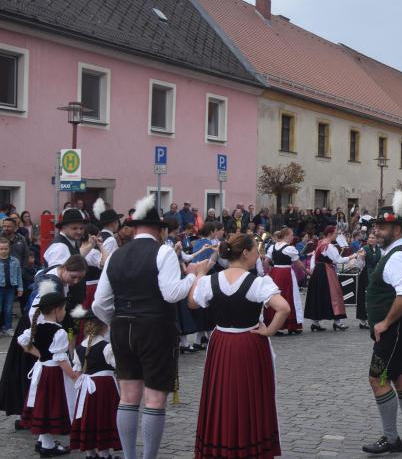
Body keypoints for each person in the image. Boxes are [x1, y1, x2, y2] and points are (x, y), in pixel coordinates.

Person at [92, 195, 207, 459]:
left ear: (134, 228)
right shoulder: (163, 251)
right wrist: (192, 275)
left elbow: (99, 303)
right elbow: (171, 293)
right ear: (160, 229)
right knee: (154, 399)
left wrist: (115, 321)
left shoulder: (115, 255)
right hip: (155, 327)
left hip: (121, 327)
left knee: (128, 397)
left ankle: (129, 456)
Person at [188, 233, 289, 459]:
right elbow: (283, 308)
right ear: (245, 253)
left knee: (221, 394)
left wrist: (200, 275)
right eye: (255, 251)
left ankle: (220, 445)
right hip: (249, 343)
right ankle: (251, 446)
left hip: (221, 342)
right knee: (250, 395)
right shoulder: (257, 282)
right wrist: (269, 331)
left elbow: (193, 302)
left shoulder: (210, 281)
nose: (258, 255)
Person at [362, 201, 402, 454]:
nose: (376, 231)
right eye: (375, 227)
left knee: (377, 379)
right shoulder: (397, 252)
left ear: (397, 229)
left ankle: (391, 438)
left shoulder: (398, 256)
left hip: (398, 329)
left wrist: (386, 322)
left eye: (382, 227)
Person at [0, 256, 86, 430]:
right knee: (35, 377)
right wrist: (44, 336)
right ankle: (34, 416)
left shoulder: (56, 274)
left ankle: (36, 416)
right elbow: (35, 311)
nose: (76, 281)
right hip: (37, 330)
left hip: (42, 329)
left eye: (80, 278)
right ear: (64, 268)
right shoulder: (51, 284)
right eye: (74, 277)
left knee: (36, 377)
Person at [19, 288, 79, 457]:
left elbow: (22, 341)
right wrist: (74, 376)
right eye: (64, 309)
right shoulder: (59, 332)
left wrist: (41, 355)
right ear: (56, 310)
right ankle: (47, 445)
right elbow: (61, 359)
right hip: (53, 374)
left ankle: (44, 441)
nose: (65, 312)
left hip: (42, 370)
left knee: (43, 404)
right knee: (50, 406)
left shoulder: (36, 327)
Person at [69, 308, 120, 459]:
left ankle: (89, 453)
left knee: (89, 417)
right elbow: (118, 365)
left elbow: (77, 370)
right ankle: (104, 454)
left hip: (86, 389)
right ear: (104, 326)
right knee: (103, 417)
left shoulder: (79, 348)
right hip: (104, 388)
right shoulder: (106, 347)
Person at [305, 226, 360, 332]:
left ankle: (315, 323)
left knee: (318, 295)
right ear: (330, 234)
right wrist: (352, 256)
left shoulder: (320, 243)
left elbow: (313, 257)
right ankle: (337, 322)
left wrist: (312, 268)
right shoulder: (329, 246)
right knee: (335, 294)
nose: (336, 236)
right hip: (326, 271)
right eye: (335, 233)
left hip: (318, 271)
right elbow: (338, 260)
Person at [265, 228, 306, 334]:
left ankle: (276, 325)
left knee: (275, 296)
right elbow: (299, 264)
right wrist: (308, 272)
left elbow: (266, 261)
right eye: (291, 235)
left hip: (275, 273)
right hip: (286, 273)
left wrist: (267, 273)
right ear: (286, 236)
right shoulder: (289, 249)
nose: (293, 237)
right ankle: (291, 325)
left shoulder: (273, 247)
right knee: (289, 296)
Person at [0, 237, 24, 335]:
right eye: (1, 249)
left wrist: (20, 288)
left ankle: (8, 328)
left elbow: (19, 275)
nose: (3, 251)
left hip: (10, 288)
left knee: (8, 308)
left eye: (5, 248)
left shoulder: (15, 261)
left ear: (9, 248)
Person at [357, 233, 381, 330]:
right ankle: (363, 321)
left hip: (376, 275)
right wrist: (362, 258)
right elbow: (359, 265)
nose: (371, 239)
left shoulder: (380, 250)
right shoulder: (363, 249)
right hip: (365, 274)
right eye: (369, 238)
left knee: (375, 297)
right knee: (364, 297)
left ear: (377, 239)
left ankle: (374, 318)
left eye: (373, 238)